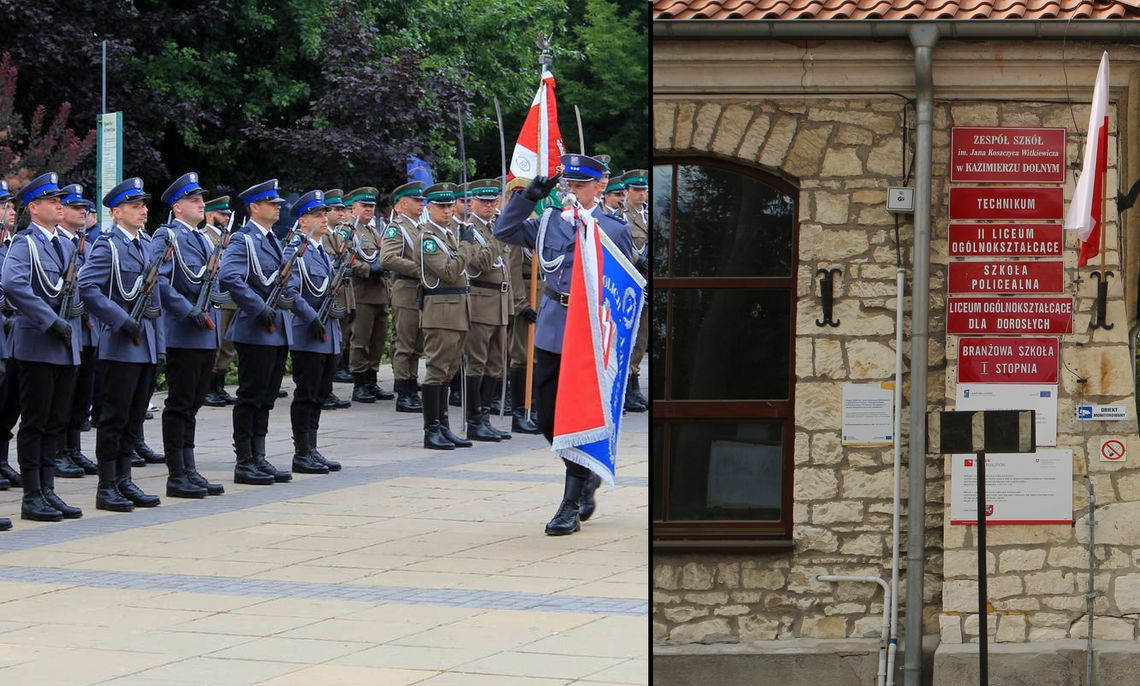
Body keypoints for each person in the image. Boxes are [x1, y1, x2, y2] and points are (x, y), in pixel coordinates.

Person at [493, 154, 635, 536]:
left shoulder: (613, 227)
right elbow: (504, 231)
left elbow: (625, 282)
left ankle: (571, 502)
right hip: (557, 324)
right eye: (567, 184)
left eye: (579, 184)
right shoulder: (549, 222)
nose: (571, 190)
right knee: (545, 416)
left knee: (580, 415)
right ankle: (584, 472)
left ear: (599, 186)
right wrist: (525, 198)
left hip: (591, 330)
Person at [77, 177, 165, 513]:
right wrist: (119, 320)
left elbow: (154, 303)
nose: (143, 211)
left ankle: (125, 478)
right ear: (116, 212)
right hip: (119, 344)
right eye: (135, 206)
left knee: (134, 418)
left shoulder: (144, 246)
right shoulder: (107, 245)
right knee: (114, 417)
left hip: (143, 346)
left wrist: (159, 347)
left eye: (143, 205)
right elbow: (88, 286)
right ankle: (107, 485)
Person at [1, 173, 84, 522]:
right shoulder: (25, 243)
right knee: (35, 422)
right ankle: (32, 494)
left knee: (56, 421)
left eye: (59, 200)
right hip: (37, 344)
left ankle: (49, 488)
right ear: (34, 208)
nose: (59, 205)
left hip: (65, 346)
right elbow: (12, 284)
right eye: (52, 201)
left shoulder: (64, 244)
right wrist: (50, 321)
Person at [218, 179, 298, 485]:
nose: (278, 208)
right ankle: (245, 460)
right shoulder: (243, 239)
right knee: (250, 396)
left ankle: (259, 456)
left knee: (266, 398)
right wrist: (256, 306)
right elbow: (230, 276)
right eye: (272, 204)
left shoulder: (272, 240)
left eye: (278, 204)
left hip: (275, 329)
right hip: (255, 329)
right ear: (255, 207)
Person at [154, 172, 225, 498]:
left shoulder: (202, 238)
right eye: (194, 201)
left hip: (204, 333)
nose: (201, 205)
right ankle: (177, 474)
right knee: (180, 403)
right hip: (183, 332)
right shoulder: (166, 236)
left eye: (201, 200)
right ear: (178, 207)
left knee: (193, 404)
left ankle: (190, 468)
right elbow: (161, 281)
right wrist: (188, 310)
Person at [416, 182, 492, 450]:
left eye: (450, 206)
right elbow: (449, 271)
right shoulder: (428, 239)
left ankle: (443, 425)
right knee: (437, 370)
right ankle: (431, 429)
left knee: (448, 372)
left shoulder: (447, 235)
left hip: (457, 309)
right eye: (441, 206)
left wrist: (462, 246)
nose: (447, 210)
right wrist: (466, 248)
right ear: (429, 208)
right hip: (441, 311)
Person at [285, 190, 340, 474]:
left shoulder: (322, 251)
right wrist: (311, 318)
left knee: (321, 393)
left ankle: (313, 448)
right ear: (302, 221)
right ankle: (301, 452)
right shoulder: (296, 249)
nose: (323, 219)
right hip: (308, 331)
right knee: (306, 393)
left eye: (323, 214)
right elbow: (291, 291)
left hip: (329, 332)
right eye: (317, 215)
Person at [459, 180, 512, 442]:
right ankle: (474, 419)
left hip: (500, 301)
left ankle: (486, 418)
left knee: (496, 363)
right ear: (472, 203)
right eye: (484, 201)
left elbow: (506, 269)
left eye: (493, 201)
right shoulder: (467, 231)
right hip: (480, 301)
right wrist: (497, 239)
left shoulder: (494, 228)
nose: (490, 205)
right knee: (477, 362)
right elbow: (478, 264)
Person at [53, 184, 100, 477]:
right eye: (75, 207)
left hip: (88, 329)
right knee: (64, 395)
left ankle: (72, 448)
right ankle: (58, 451)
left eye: (84, 207)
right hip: (68, 329)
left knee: (82, 394)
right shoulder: (57, 243)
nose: (83, 211)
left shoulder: (85, 243)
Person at [379, 181, 426, 413]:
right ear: (401, 205)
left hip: (420, 291)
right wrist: (420, 269)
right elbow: (387, 258)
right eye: (416, 201)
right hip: (406, 290)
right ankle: (403, 391)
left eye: (421, 200)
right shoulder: (396, 228)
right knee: (405, 343)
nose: (421, 204)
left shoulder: (420, 226)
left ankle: (411, 381)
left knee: (417, 343)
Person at [345, 187, 393, 404]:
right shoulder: (347, 232)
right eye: (364, 206)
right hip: (361, 292)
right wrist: (367, 269)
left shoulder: (374, 232)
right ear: (354, 208)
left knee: (377, 340)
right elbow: (344, 258)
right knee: (361, 340)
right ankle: (359, 384)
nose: (369, 209)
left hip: (379, 292)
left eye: (371, 206)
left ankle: (372, 380)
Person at [202, 196, 239, 407]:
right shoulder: (205, 236)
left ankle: (219, 384)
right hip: (217, 298)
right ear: (210, 215)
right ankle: (208, 387)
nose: (226, 218)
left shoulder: (230, 238)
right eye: (221, 214)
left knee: (228, 345)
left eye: (227, 214)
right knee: (216, 342)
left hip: (231, 296)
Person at [319, 188, 353, 409]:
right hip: (328, 294)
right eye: (336, 209)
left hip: (343, 294)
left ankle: (327, 389)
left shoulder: (339, 234)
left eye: (343, 209)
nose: (341, 213)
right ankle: (323, 390)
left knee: (339, 343)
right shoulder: (322, 236)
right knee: (328, 345)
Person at [621, 170, 650, 411]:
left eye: (644, 189)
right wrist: (639, 260)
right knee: (631, 334)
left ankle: (635, 384)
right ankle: (628, 389)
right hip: (633, 281)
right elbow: (620, 245)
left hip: (649, 283)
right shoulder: (623, 216)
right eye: (637, 190)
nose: (642, 194)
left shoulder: (651, 213)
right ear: (628, 191)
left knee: (643, 337)